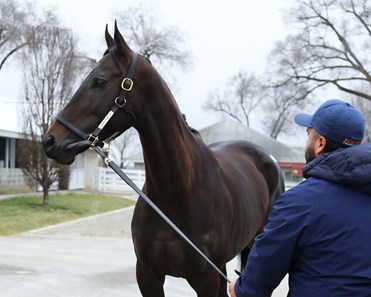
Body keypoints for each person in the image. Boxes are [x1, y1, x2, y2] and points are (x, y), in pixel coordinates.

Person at [229, 99, 371, 297]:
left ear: (320, 143)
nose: (306, 142)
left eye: (308, 136)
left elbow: (257, 283)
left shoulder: (300, 201)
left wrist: (238, 289)